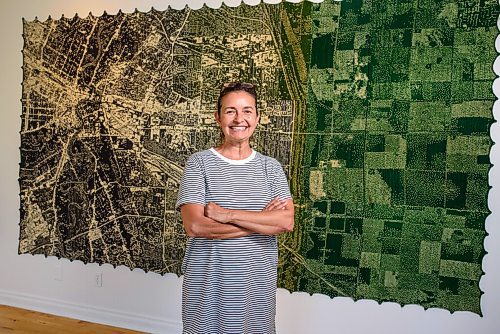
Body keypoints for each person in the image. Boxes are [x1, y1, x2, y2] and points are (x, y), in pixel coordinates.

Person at [175, 82, 295, 334]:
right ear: (217, 118)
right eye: (230, 111)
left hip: (256, 286)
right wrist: (263, 221)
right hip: (209, 284)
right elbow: (196, 225)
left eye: (247, 111)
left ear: (257, 117)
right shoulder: (199, 164)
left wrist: (228, 215)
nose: (239, 119)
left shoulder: (271, 168)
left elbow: (285, 222)